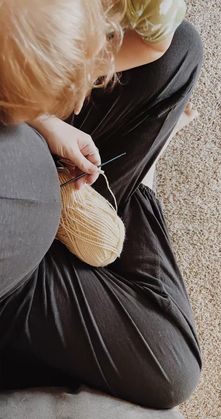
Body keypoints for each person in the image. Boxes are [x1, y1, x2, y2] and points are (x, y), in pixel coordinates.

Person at [0, 0, 203, 409]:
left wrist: (43, 122)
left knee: (180, 52)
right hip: (15, 284)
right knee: (173, 368)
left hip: (37, 175)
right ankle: (136, 190)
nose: (75, 106)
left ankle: (114, 197)